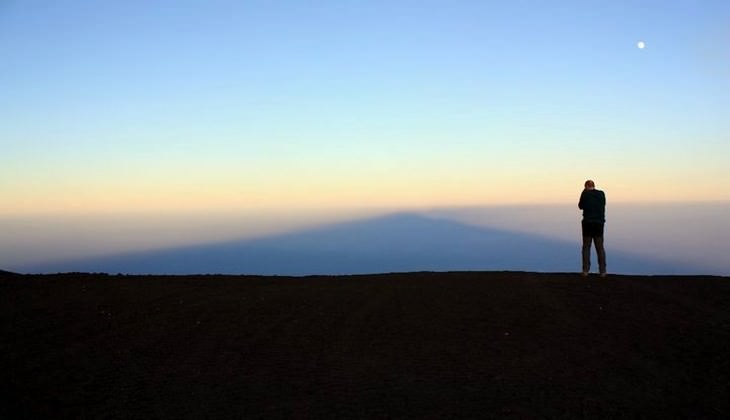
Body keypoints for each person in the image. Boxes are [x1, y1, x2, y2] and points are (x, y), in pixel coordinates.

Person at [578, 180, 606, 277]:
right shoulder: (601, 194)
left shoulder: (585, 194)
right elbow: (603, 204)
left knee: (586, 247)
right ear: (594, 186)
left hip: (588, 224)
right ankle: (602, 271)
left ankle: (585, 270)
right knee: (600, 248)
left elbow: (580, 206)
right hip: (599, 224)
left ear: (586, 186)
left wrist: (584, 192)